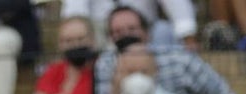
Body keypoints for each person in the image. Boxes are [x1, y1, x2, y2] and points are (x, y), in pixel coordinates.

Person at [95, 6, 235, 94]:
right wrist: (118, 80)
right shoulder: (106, 64)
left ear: (146, 32)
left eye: (132, 29)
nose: (126, 35)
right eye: (118, 31)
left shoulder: (180, 59)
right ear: (110, 37)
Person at [61, 0, 197, 50]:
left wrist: (187, 34)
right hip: (102, 32)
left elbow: (177, 4)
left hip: (144, 29)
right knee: (81, 36)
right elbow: (75, 10)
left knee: (163, 30)